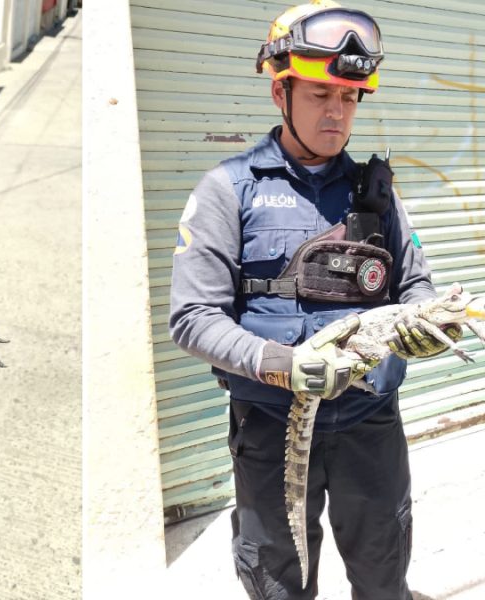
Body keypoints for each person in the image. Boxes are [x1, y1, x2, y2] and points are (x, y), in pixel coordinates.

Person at [169, 2, 462, 598]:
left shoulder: (377, 195)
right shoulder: (228, 190)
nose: (337, 113)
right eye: (321, 95)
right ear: (281, 93)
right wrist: (281, 365)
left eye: (349, 98)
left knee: (384, 575)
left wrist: (426, 325)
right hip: (273, 429)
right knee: (279, 582)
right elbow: (192, 318)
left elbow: (417, 288)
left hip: (370, 426)